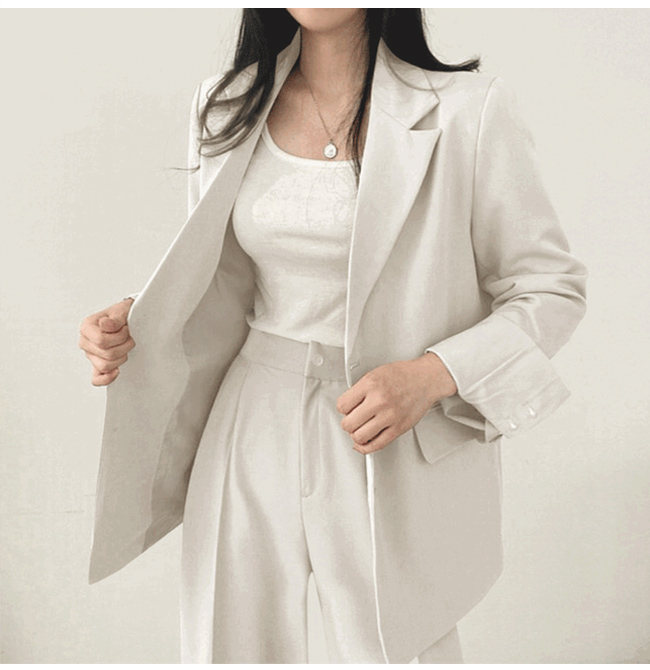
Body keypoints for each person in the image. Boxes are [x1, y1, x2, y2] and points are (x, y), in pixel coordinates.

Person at [78, 8, 588, 664]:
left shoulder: (468, 110)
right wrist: (136, 319)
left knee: (400, 649)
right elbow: (220, 279)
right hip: (250, 414)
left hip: (386, 425)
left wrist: (432, 375)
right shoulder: (226, 105)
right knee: (227, 646)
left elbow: (549, 288)